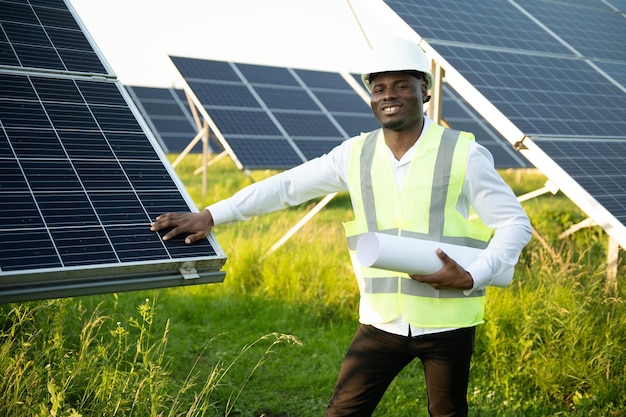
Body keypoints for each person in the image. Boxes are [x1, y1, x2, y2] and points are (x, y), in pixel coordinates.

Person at [151, 37, 532, 417]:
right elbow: (286, 187)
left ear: (425, 91)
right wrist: (212, 214)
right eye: (379, 88)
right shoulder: (356, 153)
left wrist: (472, 275)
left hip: (448, 322)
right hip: (380, 322)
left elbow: (515, 224)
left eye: (402, 84)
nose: (389, 95)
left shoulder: (463, 153)